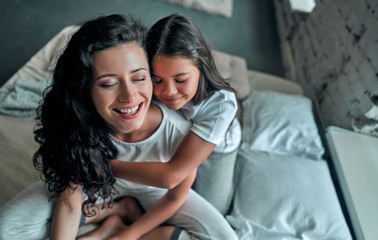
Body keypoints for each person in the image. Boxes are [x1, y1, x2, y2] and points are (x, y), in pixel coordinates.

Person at [0, 14, 238, 240]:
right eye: (109, 83)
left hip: (157, 190)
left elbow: (172, 183)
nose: (129, 96)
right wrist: (83, 165)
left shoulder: (186, 130)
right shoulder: (80, 125)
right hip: (98, 186)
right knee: (6, 230)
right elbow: (69, 202)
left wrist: (128, 234)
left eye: (139, 78)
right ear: (86, 90)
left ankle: (117, 222)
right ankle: (117, 210)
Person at [110, 13, 242, 215]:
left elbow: (171, 176)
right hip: (176, 136)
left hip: (217, 150)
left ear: (202, 65)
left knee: (214, 210)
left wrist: (104, 167)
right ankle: (123, 208)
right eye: (157, 80)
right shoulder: (145, 82)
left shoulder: (220, 105)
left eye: (180, 80)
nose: (168, 92)